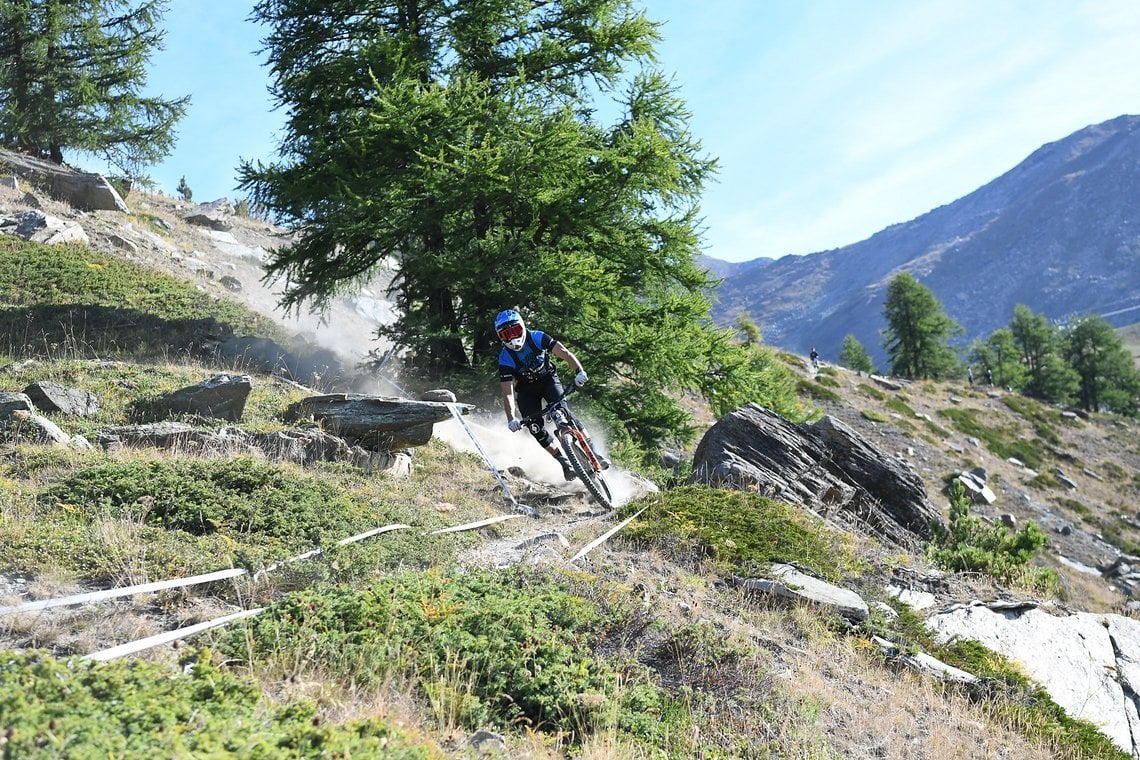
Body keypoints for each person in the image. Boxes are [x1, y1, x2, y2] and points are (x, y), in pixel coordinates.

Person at [495, 309, 610, 481]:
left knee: (563, 413)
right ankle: (564, 462)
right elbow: (508, 393)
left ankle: (594, 452)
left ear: (523, 326)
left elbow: (564, 352)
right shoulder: (505, 358)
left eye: (515, 331)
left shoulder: (537, 337)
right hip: (526, 392)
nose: (512, 338)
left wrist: (579, 371)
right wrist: (511, 418)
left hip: (548, 380)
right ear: (500, 337)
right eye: (506, 335)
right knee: (535, 428)